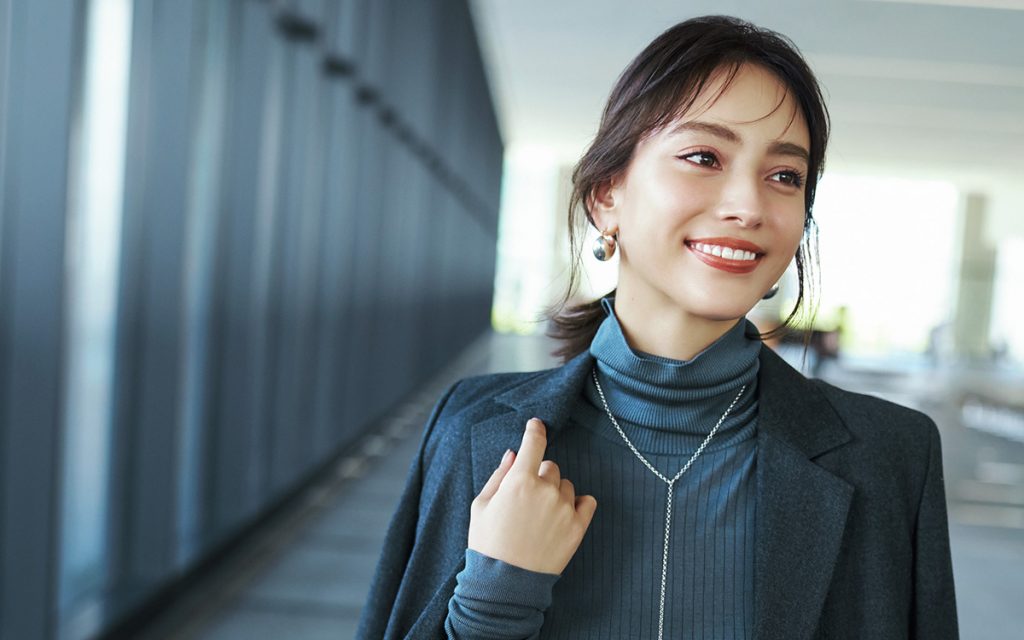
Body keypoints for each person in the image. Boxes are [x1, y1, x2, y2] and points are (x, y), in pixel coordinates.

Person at [356, 15, 958, 640]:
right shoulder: (473, 431)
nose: (748, 206)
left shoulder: (893, 459)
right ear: (607, 193)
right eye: (704, 157)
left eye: (785, 176)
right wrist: (496, 599)